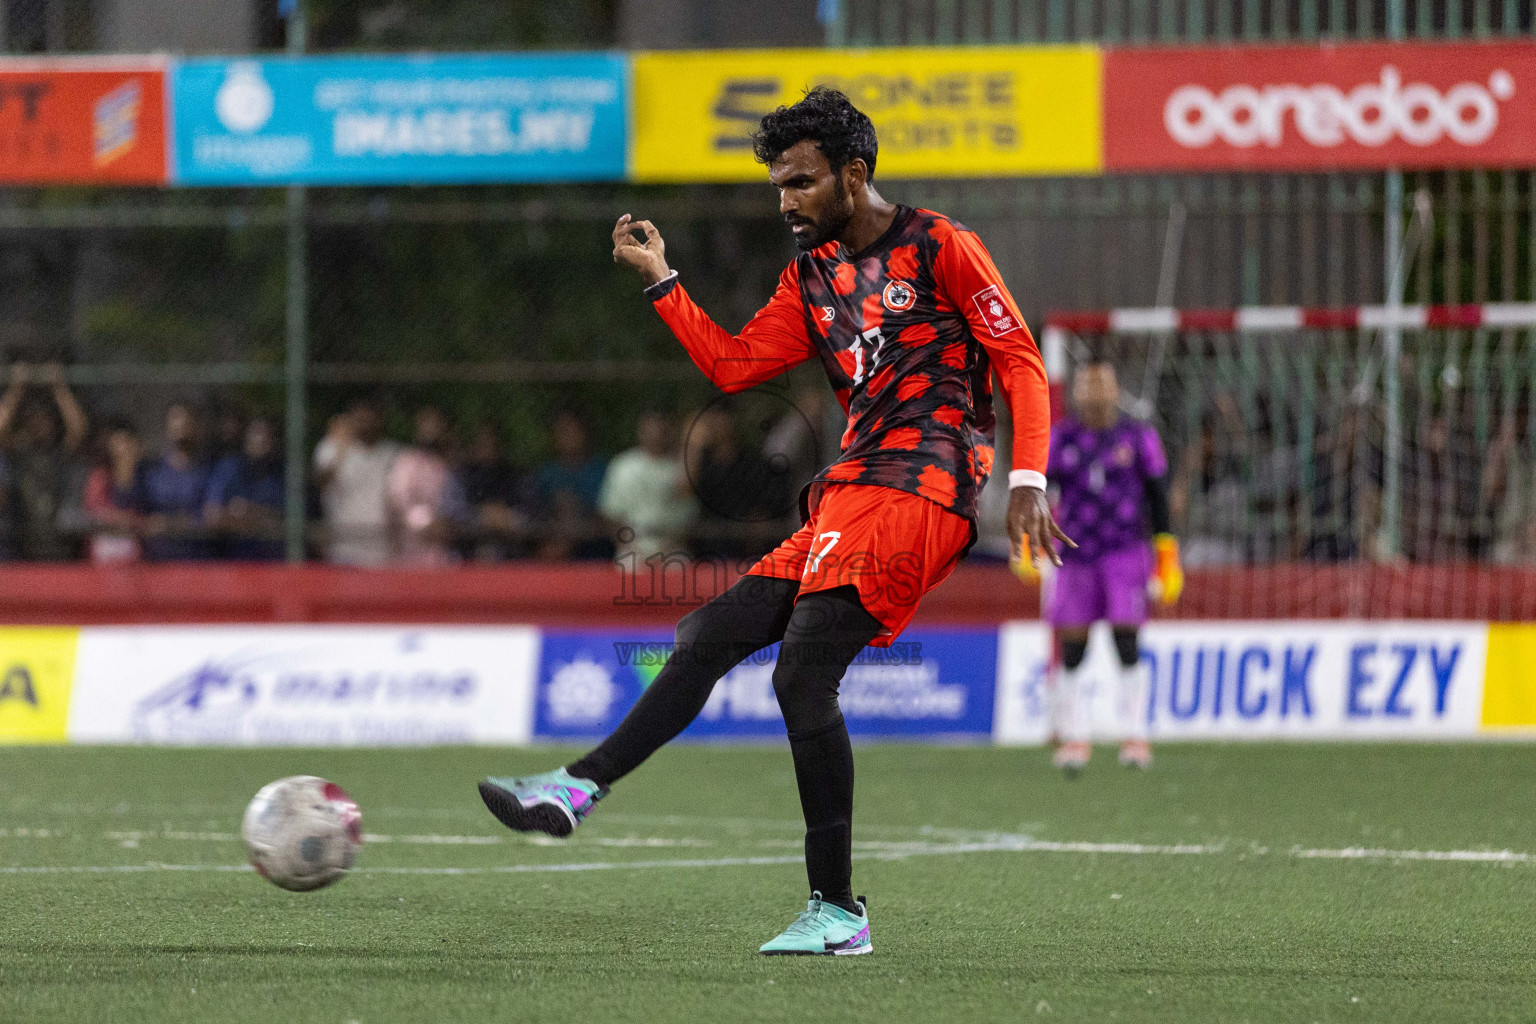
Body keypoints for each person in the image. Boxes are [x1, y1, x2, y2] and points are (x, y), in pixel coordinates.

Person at [476, 87, 1065, 957]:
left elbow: (1018, 357)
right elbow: (734, 363)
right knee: (708, 630)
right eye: (777, 186)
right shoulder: (810, 274)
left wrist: (1028, 476)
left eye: (799, 183)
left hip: (928, 484)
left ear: (852, 174)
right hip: (853, 487)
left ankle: (838, 912)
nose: (783, 202)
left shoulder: (939, 245)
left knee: (802, 671)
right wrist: (664, 283)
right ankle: (575, 789)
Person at [1040, 360, 1182, 774]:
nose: (1096, 393)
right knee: (1073, 648)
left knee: (1127, 643)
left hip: (1125, 553)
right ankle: (1074, 737)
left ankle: (1135, 735)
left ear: (1116, 390)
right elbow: (1038, 488)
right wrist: (1031, 541)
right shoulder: (1061, 437)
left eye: (1103, 385)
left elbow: (1158, 496)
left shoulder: (1138, 436)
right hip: (1075, 556)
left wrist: (1167, 553)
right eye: (1088, 386)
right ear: (1078, 392)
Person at [0, 362, 88, 560]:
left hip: (62, 546)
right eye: (33, 419)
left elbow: (78, 429)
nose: (39, 424)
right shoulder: (21, 453)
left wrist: (59, 387)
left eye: (43, 418)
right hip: (25, 545)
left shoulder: (59, 453)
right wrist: (16, 387)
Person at [597, 409, 695, 561]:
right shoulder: (622, 465)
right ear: (641, 431)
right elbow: (610, 515)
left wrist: (666, 549)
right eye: (651, 427)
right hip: (632, 549)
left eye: (661, 427)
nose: (656, 432)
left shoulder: (682, 469)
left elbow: (689, 517)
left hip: (673, 549)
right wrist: (633, 548)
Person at [313, 398, 402, 567]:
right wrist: (341, 449)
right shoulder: (331, 448)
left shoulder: (393, 453)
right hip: (343, 545)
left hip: (383, 548)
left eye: (369, 419)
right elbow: (320, 481)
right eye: (360, 419)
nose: (365, 424)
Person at [385, 405, 466, 567]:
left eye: (435, 424)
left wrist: (449, 522)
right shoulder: (407, 461)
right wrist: (427, 523)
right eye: (425, 424)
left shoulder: (453, 465)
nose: (429, 429)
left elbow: (460, 506)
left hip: (447, 555)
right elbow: (399, 501)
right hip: (412, 553)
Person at [138, 403, 214, 561]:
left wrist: (169, 524)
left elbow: (210, 518)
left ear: (196, 428)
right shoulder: (151, 470)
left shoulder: (209, 471)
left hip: (197, 562)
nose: (180, 427)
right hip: (159, 561)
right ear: (167, 427)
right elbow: (140, 515)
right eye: (175, 421)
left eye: (186, 422)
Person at [530, 408, 609, 560]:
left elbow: (607, 513)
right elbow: (536, 514)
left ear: (585, 433)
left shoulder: (601, 471)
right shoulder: (547, 473)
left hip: (594, 547)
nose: (569, 436)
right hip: (552, 546)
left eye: (573, 430)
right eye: (563, 431)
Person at [205, 415, 285, 561]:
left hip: (272, 563)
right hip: (232, 561)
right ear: (245, 437)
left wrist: (248, 511)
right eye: (256, 433)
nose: (260, 440)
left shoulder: (281, 477)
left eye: (267, 435)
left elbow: (284, 520)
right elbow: (212, 516)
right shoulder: (228, 469)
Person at [459, 420, 528, 562]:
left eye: (491, 442)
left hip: (509, 541)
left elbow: (528, 510)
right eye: (482, 442)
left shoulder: (512, 474)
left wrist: (506, 516)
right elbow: (455, 512)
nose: (487, 447)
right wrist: (482, 514)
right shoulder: (463, 476)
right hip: (472, 544)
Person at [81, 417, 146, 563]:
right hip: (104, 552)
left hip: (137, 555)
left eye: (127, 441)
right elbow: (94, 513)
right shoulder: (100, 477)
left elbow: (146, 517)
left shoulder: (144, 477)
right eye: (118, 442)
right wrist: (123, 520)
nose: (123, 448)